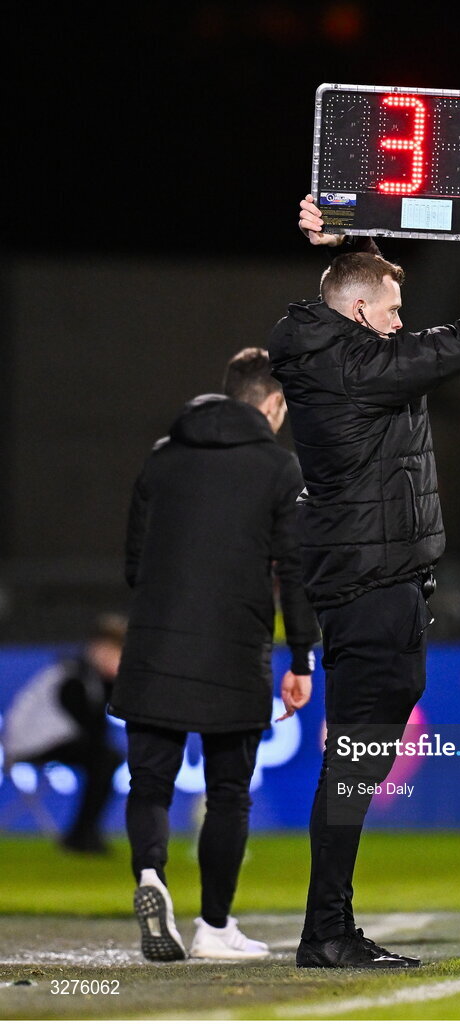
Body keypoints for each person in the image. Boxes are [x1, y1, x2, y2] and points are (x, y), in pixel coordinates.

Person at [268, 194, 460, 969]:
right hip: (371, 583)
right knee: (357, 757)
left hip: (376, 580)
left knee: (359, 756)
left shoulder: (333, 350)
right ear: (359, 312)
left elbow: (356, 292)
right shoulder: (359, 367)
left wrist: (344, 236)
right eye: (391, 310)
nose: (400, 321)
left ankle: (329, 925)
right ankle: (326, 930)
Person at [109, 348, 319, 962]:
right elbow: (294, 573)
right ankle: (214, 926)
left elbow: (132, 565)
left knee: (150, 783)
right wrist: (301, 660)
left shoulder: (162, 458)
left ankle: (150, 878)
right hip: (234, 647)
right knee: (229, 793)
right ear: (273, 404)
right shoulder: (279, 470)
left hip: (154, 642)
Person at [2, 614, 126, 854]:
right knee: (105, 758)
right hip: (33, 742)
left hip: (50, 739)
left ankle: (84, 832)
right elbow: (91, 726)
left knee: (106, 758)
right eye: (114, 651)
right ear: (98, 648)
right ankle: (81, 834)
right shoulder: (73, 675)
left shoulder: (89, 677)